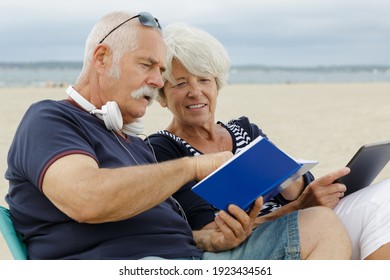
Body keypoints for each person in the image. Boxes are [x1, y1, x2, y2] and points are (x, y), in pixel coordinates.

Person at [5, 11, 351, 260]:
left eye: (160, 70)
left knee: (321, 223)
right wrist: (191, 167)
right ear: (102, 58)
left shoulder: (134, 146)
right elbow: (86, 199)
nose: (158, 81)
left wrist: (211, 239)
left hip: (193, 260)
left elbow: (176, 233)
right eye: (148, 66)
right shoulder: (51, 119)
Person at [147, 23, 390, 260]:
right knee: (322, 221)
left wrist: (302, 187)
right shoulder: (162, 149)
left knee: (385, 198)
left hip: (302, 221)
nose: (195, 91)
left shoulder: (243, 129)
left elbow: (297, 186)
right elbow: (213, 232)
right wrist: (297, 208)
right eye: (180, 83)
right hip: (255, 244)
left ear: (217, 86)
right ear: (162, 97)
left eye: (204, 80)